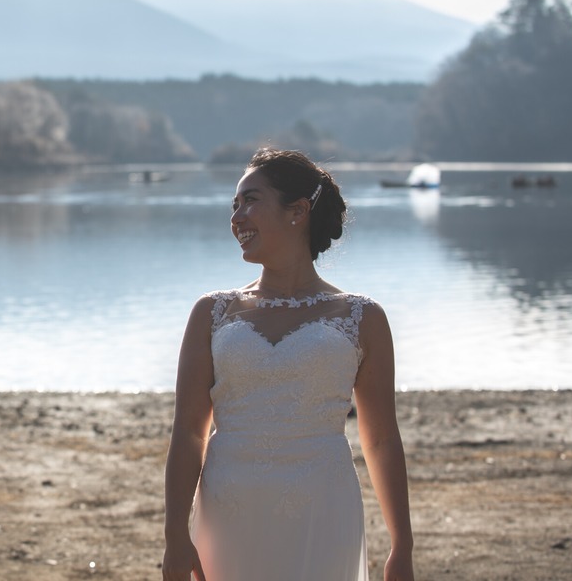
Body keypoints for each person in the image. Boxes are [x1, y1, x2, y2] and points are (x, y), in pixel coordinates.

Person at [162, 148, 414, 581]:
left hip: (323, 506)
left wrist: (402, 547)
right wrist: (174, 537)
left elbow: (381, 441)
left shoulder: (361, 317)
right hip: (229, 507)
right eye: (234, 205)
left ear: (297, 211)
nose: (237, 216)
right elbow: (188, 432)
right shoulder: (212, 312)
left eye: (251, 200)